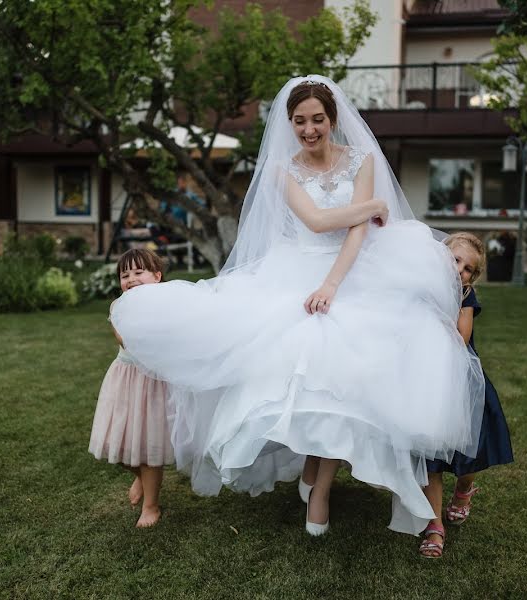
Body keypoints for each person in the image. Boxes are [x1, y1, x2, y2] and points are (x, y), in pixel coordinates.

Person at [111, 75, 485, 536]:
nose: (309, 130)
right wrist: (368, 208)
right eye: (300, 121)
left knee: (343, 378)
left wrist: (334, 280)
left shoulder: (363, 160)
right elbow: (315, 220)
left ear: (332, 120)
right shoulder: (281, 170)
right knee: (301, 375)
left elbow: (356, 233)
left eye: (318, 120)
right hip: (295, 270)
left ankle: (320, 483)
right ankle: (312, 474)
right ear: (290, 124)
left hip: (357, 271)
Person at [419, 233, 514, 559]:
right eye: (455, 260)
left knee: (467, 455)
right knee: (430, 455)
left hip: (460, 381)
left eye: (468, 268)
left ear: (472, 278)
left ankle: (463, 490)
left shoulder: (465, 297)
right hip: (425, 381)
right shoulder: (421, 289)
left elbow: (460, 339)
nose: (459, 270)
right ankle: (434, 526)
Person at [88, 249, 174, 528]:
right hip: (125, 378)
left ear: (157, 277)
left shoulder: (170, 305)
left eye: (139, 273)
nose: (131, 279)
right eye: (125, 275)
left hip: (152, 384)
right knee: (117, 443)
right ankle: (139, 475)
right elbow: (125, 340)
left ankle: (151, 505)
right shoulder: (118, 306)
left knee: (148, 446)